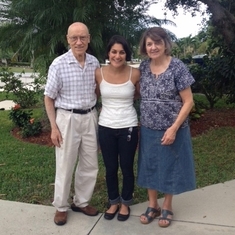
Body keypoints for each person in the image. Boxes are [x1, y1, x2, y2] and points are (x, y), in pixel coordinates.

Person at [137, 27, 196, 228]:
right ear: (145, 47)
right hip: (147, 127)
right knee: (149, 165)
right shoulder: (143, 68)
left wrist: (173, 128)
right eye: (149, 44)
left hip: (173, 128)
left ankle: (167, 206)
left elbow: (188, 101)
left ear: (165, 44)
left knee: (170, 167)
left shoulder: (177, 67)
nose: (153, 47)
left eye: (157, 43)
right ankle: (152, 205)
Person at [44, 22, 100, 226]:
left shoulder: (94, 62)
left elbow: (98, 90)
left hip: (90, 116)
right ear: (67, 39)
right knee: (65, 164)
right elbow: (49, 98)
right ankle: (61, 206)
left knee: (90, 163)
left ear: (89, 38)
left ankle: (81, 202)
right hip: (67, 118)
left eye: (83, 37)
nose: (79, 42)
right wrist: (53, 127)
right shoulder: (58, 64)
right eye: (74, 38)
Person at [95, 35, 140, 221]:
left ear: (126, 54)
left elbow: (137, 95)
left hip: (128, 126)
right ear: (108, 53)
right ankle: (114, 201)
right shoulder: (98, 73)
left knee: (127, 167)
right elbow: (97, 94)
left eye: (122, 52)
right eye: (114, 51)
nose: (117, 55)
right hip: (105, 126)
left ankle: (126, 202)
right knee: (111, 167)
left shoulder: (135, 73)